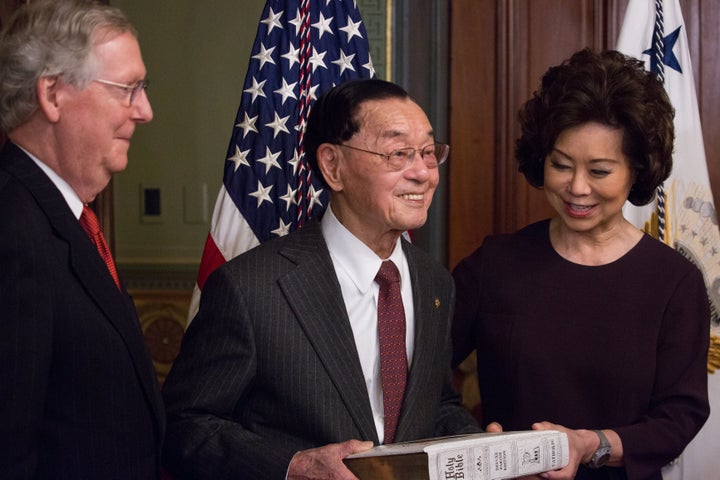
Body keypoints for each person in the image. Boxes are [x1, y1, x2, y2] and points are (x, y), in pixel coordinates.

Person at [162, 78, 485, 480]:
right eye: (399, 153)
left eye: (427, 152)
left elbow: (437, 405)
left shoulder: (435, 282)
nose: (423, 173)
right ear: (333, 165)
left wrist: (489, 451)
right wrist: (293, 466)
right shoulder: (250, 288)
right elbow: (184, 425)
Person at [452, 48, 710, 480]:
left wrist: (591, 444)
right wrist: (471, 439)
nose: (576, 188)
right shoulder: (494, 263)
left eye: (600, 171)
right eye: (561, 165)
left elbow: (679, 417)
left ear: (637, 170)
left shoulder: (674, 282)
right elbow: (421, 375)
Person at [0, 1, 164, 478]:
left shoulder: (68, 219)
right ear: (52, 94)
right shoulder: (13, 234)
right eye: (128, 89)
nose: (146, 111)